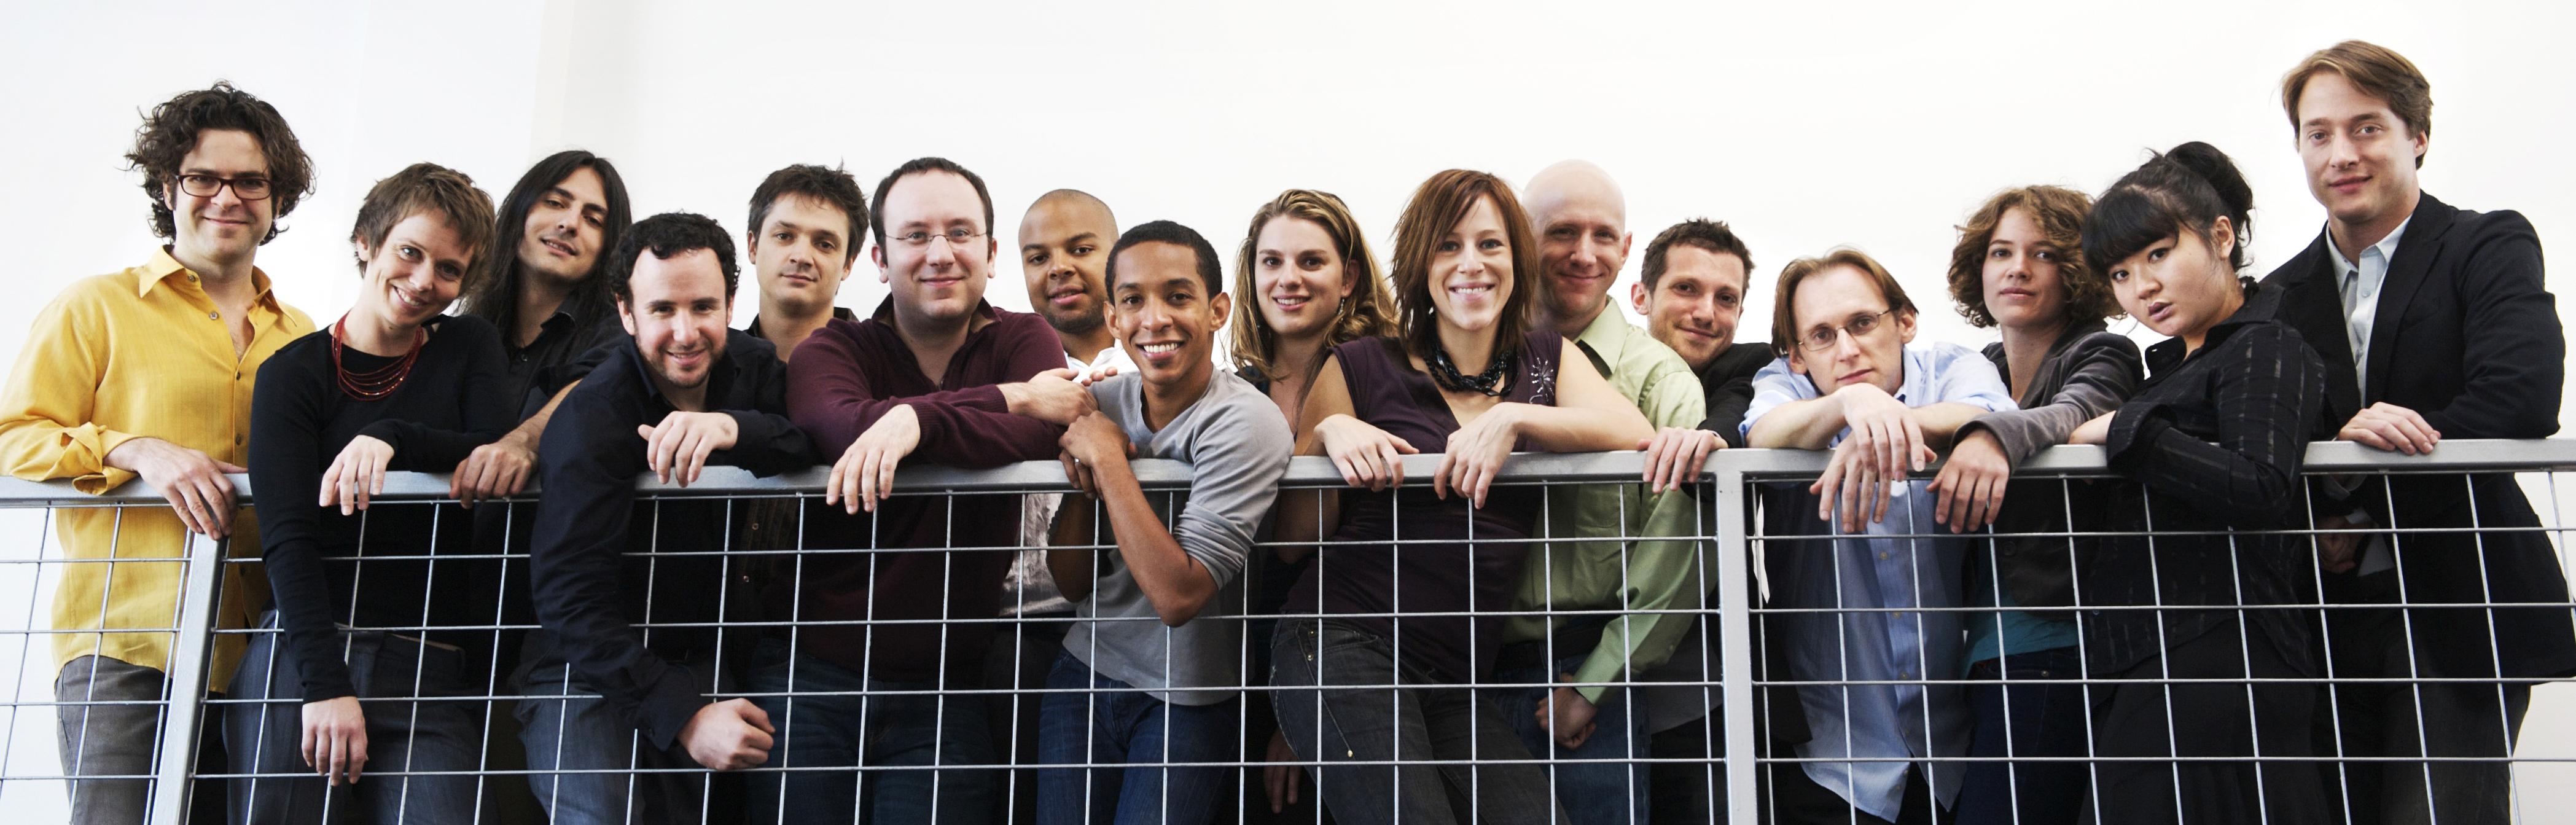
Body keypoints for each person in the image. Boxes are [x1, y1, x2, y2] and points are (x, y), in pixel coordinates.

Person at [1271, 168, 1652, 825]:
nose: (1470, 264)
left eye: (1490, 244)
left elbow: (1634, 433)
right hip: (1343, 640)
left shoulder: (1545, 360)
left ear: (1517, 260)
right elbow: (1292, 540)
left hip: (1453, 676)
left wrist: (1516, 419)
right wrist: (1327, 432)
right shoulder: (1361, 364)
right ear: (1420, 264)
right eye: (1448, 246)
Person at [2256, 41, 2574, 825]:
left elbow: (2522, 396)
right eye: (2319, 133)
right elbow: (2256, 439)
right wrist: (2320, 497)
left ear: (2417, 136)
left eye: (2367, 128)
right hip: (2319, 613)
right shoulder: (2275, 294)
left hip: (2457, 598)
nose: (2341, 153)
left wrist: (2351, 470)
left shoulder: (2484, 243)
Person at [0, 82, 316, 824]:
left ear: (277, 199)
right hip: (127, 649)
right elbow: (13, 437)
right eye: (203, 177)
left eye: (251, 180)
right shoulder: (96, 307)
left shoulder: (303, 335)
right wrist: (137, 448)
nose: (227, 197)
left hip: (258, 663)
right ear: (168, 186)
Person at [767, 157, 1093, 825]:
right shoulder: (832, 350)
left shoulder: (1024, 337)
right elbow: (839, 426)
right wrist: (1007, 399)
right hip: (814, 675)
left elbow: (1041, 433)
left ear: (990, 252)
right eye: (916, 235)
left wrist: (915, 419)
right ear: (881, 259)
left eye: (960, 232)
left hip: (953, 684)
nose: (940, 253)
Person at [231, 163, 509, 823]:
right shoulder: (292, 374)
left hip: (429, 664)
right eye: (410, 252)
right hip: (306, 656)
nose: (424, 281)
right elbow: (288, 539)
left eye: (449, 269)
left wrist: (391, 435)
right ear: (366, 241)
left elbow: (492, 443)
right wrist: (324, 685)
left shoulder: (468, 345)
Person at [520, 212, 818, 825]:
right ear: (626, 313)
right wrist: (684, 715)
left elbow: (813, 439)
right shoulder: (591, 415)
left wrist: (732, 428)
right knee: (603, 815)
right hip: (583, 665)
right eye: (661, 310)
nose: (685, 332)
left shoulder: (756, 368)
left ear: (732, 303)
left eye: (704, 306)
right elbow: (569, 599)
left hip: (696, 649)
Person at [2066, 141, 2330, 824]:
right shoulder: (2167, 367)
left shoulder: (2265, 342)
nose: (2141, 287)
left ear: (2220, 236)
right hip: (2149, 662)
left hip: (2220, 656)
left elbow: (2263, 482)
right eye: (2121, 273)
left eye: (2158, 255)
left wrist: (2129, 429)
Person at [1740, 248, 2017, 824]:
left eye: (1862, 323)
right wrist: (1850, 402)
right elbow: (1762, 432)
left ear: (1905, 321)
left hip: (1952, 738)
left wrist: (1885, 425)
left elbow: (1996, 411)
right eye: (1821, 335)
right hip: (1832, 748)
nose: (1847, 349)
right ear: (1796, 356)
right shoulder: (1785, 385)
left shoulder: (1952, 365)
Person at [1037, 220, 1294, 825]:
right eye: (1133, 301)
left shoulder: (1246, 422)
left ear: (1217, 309)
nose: (1154, 319)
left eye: (1178, 296)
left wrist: (1106, 459)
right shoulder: (1100, 402)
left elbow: (1181, 594)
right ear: (1113, 317)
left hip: (1192, 695)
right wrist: (1084, 481)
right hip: (1084, 670)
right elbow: (1072, 582)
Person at [1498, 160, 1709, 825]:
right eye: (1562, 232)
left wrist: (1596, 681)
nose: (1584, 254)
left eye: (1603, 235)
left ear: (1626, 248)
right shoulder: (1468, 356)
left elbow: (1677, 544)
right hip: (1460, 672)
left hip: (1582, 675)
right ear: (1522, 241)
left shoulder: (1660, 379)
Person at [1925, 185, 2140, 824]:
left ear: (2075, 269)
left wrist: (1990, 434)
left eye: (2043, 253)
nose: (2017, 267)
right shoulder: (1979, 367)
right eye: (2001, 251)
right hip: (1983, 648)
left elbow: (2074, 411)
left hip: (2056, 644)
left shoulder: (2103, 350)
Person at [1224, 187, 1402, 819]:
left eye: (1311, 261)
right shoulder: (1229, 392)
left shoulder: (1387, 381)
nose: (1288, 279)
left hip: (1340, 656)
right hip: (1226, 661)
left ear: (1349, 276)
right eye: (1271, 261)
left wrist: (1302, 713)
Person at [1626, 217, 1776, 825]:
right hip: (1573, 660)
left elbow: (1740, 405)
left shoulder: (1747, 366)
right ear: (1642, 296)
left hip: (1705, 686)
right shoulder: (1597, 370)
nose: (1707, 312)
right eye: (1687, 289)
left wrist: (1709, 433)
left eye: (1726, 297)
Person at [998, 189, 1137, 823]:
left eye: (1081, 249)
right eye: (1038, 255)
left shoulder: (1163, 360)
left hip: (1127, 630)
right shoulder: (998, 370)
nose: (1058, 267)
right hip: (1004, 634)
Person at [743, 163, 866, 358]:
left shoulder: (887, 374)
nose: (801, 257)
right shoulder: (711, 373)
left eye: (824, 244)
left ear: (848, 264)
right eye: (784, 236)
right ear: (753, 247)